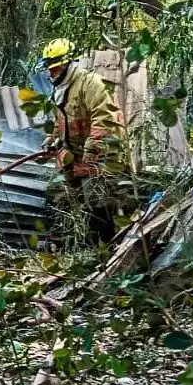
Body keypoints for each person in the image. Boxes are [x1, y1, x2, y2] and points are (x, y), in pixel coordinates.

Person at [39, 38, 127, 246]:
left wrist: (91, 151)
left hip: (101, 155)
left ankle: (104, 247)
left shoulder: (92, 84)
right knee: (57, 192)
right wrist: (50, 140)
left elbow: (105, 118)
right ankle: (61, 243)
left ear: (69, 64)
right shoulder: (60, 90)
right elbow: (59, 122)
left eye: (56, 68)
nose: (52, 74)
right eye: (50, 70)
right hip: (75, 154)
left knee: (96, 199)